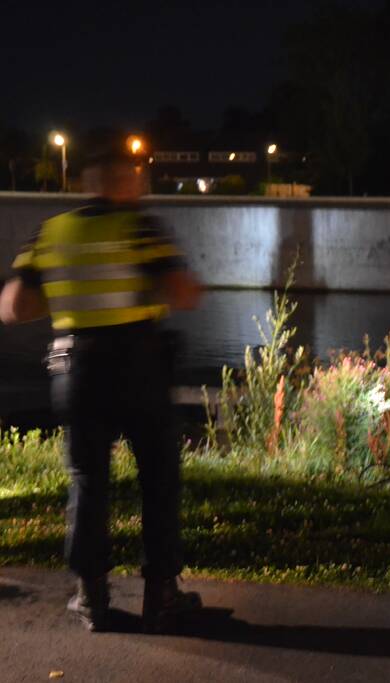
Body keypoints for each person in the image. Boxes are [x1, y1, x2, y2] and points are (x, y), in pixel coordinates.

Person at [0, 149, 204, 633]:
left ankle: (91, 597)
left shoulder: (52, 231)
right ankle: (161, 595)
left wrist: (68, 295)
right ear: (125, 181)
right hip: (139, 366)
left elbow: (14, 307)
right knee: (158, 479)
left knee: (87, 480)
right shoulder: (140, 228)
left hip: (77, 367)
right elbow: (183, 293)